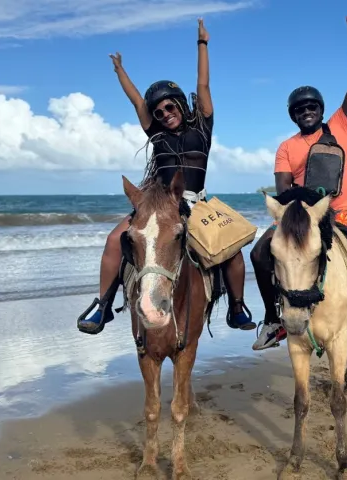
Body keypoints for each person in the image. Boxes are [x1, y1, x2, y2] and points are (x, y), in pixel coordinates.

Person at [78, 18, 255, 334]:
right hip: (159, 206)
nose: (164, 114)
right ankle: (102, 305)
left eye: (169, 107)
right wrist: (120, 71)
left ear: (180, 105)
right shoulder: (156, 136)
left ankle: (237, 306)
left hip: (196, 205)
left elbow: (203, 85)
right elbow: (135, 100)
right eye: (158, 112)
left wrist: (203, 44)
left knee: (233, 251)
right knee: (113, 240)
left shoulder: (202, 128)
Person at [250, 17, 347, 351]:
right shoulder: (286, 147)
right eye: (299, 109)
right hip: (303, 217)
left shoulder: (342, 125)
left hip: (344, 212)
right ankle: (273, 320)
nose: (306, 111)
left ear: (321, 109)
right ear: (293, 115)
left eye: (311, 106)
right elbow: (284, 193)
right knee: (258, 253)